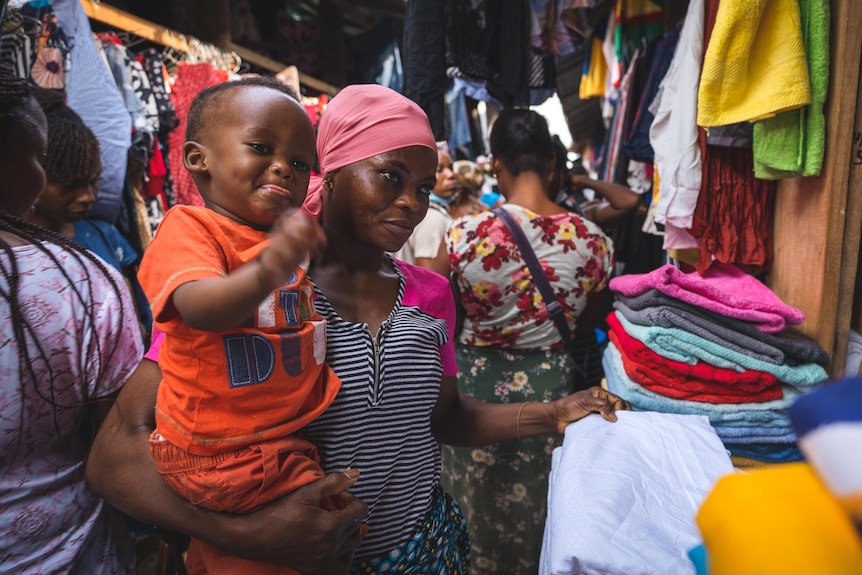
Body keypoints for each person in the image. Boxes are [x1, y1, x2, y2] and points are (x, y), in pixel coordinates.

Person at [85, 83, 630, 573]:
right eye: (390, 177)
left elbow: (445, 418)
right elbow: (112, 457)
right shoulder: (247, 287)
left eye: (423, 187)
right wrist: (250, 534)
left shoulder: (430, 293)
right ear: (333, 169)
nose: (412, 205)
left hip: (423, 549)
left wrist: (552, 414)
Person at [135, 76, 341, 574]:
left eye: (299, 163)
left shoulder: (279, 238)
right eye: (260, 147)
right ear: (197, 159)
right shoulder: (191, 227)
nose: (283, 168)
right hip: (221, 452)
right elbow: (203, 307)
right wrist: (271, 267)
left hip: (269, 445)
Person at [442, 107, 617, 574]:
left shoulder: (463, 235)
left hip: (473, 396)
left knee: (473, 512)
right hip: (556, 389)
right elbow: (589, 326)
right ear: (552, 164)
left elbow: (443, 324)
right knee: (542, 511)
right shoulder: (594, 241)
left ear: (496, 165)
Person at [0, 67, 143, 573]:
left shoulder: (94, 255)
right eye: (39, 160)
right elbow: (119, 446)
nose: (88, 196)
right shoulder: (80, 284)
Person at [25, 87, 153, 342]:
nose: (88, 196)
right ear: (34, 175)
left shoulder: (103, 233)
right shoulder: (18, 251)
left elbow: (136, 306)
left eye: (93, 182)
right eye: (71, 184)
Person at [391, 145, 459, 276]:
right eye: (439, 170)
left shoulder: (436, 212)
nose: (451, 175)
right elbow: (430, 278)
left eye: (451, 167)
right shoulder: (433, 219)